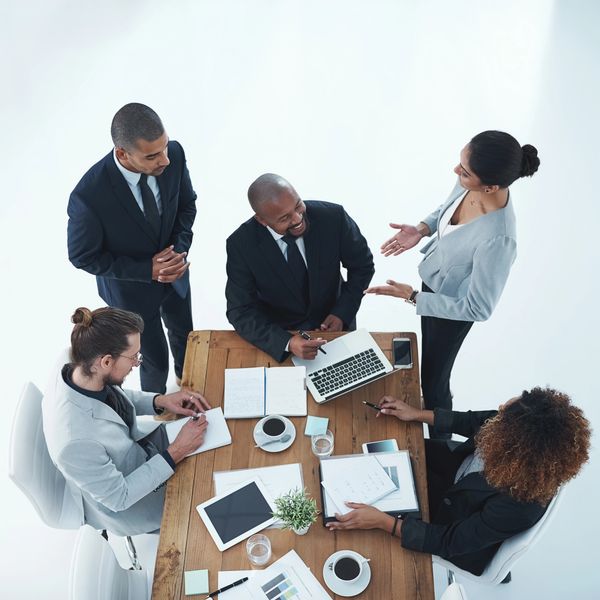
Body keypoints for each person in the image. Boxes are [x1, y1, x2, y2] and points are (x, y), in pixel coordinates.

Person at [365, 131, 540, 438]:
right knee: (425, 363)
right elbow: (445, 209)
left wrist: (413, 296)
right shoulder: (467, 179)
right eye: (460, 162)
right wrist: (422, 229)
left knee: (433, 380)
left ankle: (439, 444)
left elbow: (478, 307)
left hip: (452, 311)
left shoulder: (499, 239)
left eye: (464, 171)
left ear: (490, 186)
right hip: (432, 287)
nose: (456, 172)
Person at [326, 388, 591, 576]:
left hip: (451, 523)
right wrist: (416, 414)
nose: (500, 410)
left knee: (362, 524)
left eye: (503, 416)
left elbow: (451, 541)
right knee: (384, 444)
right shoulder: (516, 424)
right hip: (456, 473)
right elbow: (472, 420)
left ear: (514, 445)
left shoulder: (519, 504)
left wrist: (384, 522)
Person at [42, 307, 210, 536]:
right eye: (133, 357)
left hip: (142, 452)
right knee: (211, 493)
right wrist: (177, 451)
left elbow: (111, 397)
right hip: (136, 501)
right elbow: (120, 497)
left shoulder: (80, 365)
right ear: (107, 362)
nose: (137, 363)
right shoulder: (74, 443)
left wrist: (161, 401)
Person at [67, 102, 197, 393]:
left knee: (186, 339)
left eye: (164, 148)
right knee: (154, 361)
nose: (164, 160)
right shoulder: (89, 197)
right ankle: (158, 410)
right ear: (123, 153)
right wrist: (147, 270)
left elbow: (186, 205)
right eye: (152, 156)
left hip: (176, 276)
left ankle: (189, 383)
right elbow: (82, 255)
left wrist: (179, 249)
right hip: (131, 294)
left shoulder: (173, 154)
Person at [225, 173, 375, 362]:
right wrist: (287, 342)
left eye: (298, 206)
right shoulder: (241, 244)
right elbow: (240, 310)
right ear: (262, 220)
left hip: (337, 326)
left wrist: (342, 312)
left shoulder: (333, 217)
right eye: (285, 218)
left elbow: (362, 266)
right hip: (280, 337)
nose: (297, 219)